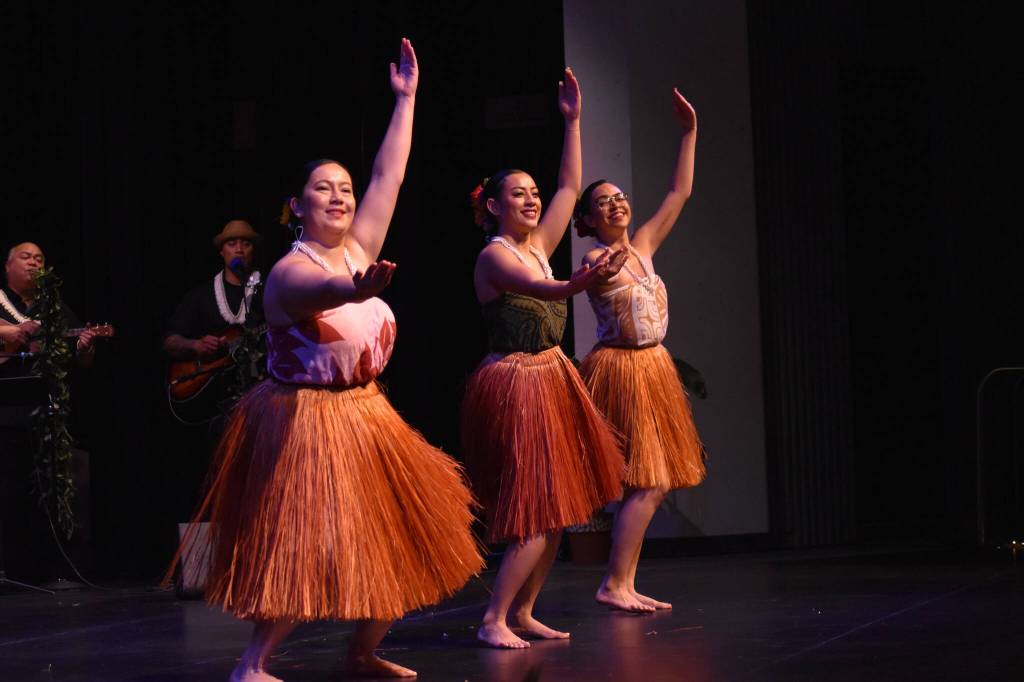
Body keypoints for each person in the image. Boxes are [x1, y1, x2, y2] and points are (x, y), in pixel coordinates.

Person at [174, 39, 483, 681]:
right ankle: (253, 663)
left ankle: (363, 651)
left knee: (400, 534)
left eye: (343, 188)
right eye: (324, 189)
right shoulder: (291, 271)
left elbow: (388, 177)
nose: (340, 197)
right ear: (298, 205)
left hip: (368, 414)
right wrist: (357, 288)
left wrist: (407, 101)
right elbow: (325, 294)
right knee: (308, 543)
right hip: (308, 424)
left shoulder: (359, 245)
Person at [462, 67, 628, 650]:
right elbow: (550, 293)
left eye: (532, 193)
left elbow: (568, 187)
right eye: (518, 193)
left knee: (557, 511)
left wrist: (574, 122)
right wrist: (584, 279)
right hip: (515, 383)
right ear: (494, 206)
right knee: (535, 510)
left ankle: (524, 611)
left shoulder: (538, 245)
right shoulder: (496, 257)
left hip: (551, 378)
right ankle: (492, 618)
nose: (532, 200)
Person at [573, 87, 706, 613]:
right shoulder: (593, 258)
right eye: (603, 201)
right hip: (622, 369)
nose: (617, 203)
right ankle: (614, 582)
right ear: (589, 218)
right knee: (646, 479)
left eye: (619, 195)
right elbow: (579, 284)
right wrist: (593, 273)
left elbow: (680, 192)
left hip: (654, 366)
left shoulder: (644, 244)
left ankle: (621, 580)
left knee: (655, 479)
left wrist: (689, 132)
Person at [162, 220, 264, 363]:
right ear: (222, 252)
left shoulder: (267, 292)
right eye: (232, 244)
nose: (239, 249)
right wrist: (195, 345)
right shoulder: (201, 295)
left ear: (253, 251)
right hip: (215, 382)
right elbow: (169, 342)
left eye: (246, 244)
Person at [1, 242, 99, 372]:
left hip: (43, 388)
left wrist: (85, 350)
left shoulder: (54, 306)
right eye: (25, 257)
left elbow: (83, 364)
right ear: (8, 266)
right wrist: (5, 332)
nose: (33, 262)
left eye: (39, 259)